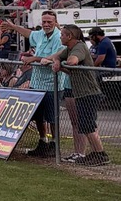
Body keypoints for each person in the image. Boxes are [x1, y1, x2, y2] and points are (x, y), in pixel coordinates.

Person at [59, 22, 107, 163]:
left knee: (88, 125)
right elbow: (62, 61)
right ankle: (95, 152)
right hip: (80, 92)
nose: (60, 37)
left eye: (62, 35)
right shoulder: (68, 48)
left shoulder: (79, 47)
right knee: (84, 125)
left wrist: (64, 63)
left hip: (89, 92)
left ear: (69, 36)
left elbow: (72, 62)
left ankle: (100, 154)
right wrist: (58, 64)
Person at [25, 9, 65, 157]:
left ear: (55, 22)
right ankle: (43, 141)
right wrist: (12, 27)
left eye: (49, 22)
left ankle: (54, 145)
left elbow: (52, 58)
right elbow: (28, 34)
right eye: (44, 22)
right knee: (38, 116)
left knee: (52, 116)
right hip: (36, 83)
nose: (46, 24)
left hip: (52, 84)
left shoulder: (59, 37)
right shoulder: (40, 34)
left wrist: (34, 59)